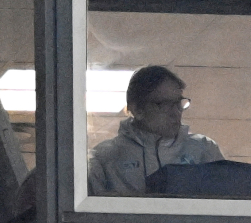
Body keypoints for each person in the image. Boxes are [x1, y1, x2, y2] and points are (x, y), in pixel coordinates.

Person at [88, 65, 223, 195]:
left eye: (178, 103)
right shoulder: (105, 158)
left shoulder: (203, 150)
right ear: (137, 110)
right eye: (164, 104)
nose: (176, 112)